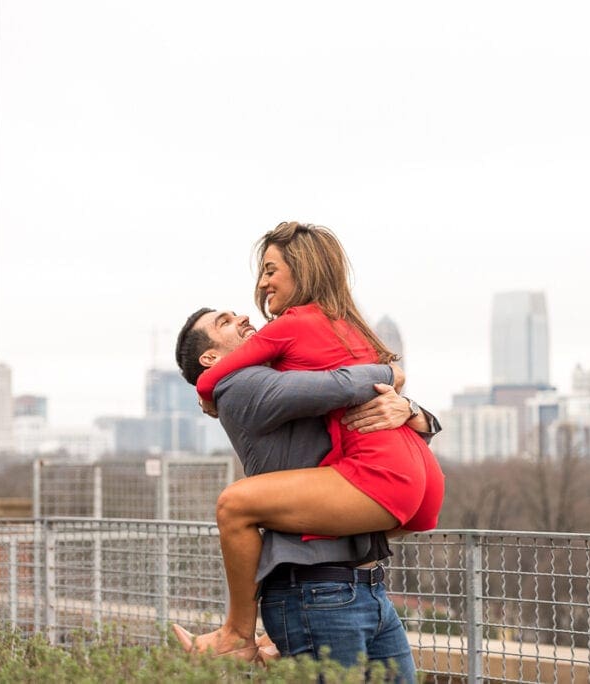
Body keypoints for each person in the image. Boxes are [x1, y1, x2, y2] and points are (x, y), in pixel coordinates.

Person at [185, 222, 445, 660]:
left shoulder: (294, 351)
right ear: (210, 358)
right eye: (225, 322)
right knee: (235, 503)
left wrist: (413, 411)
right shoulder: (240, 385)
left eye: (271, 270)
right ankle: (237, 633)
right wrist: (390, 375)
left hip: (364, 587)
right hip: (317, 587)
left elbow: (348, 392)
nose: (246, 314)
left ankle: (244, 636)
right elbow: (340, 386)